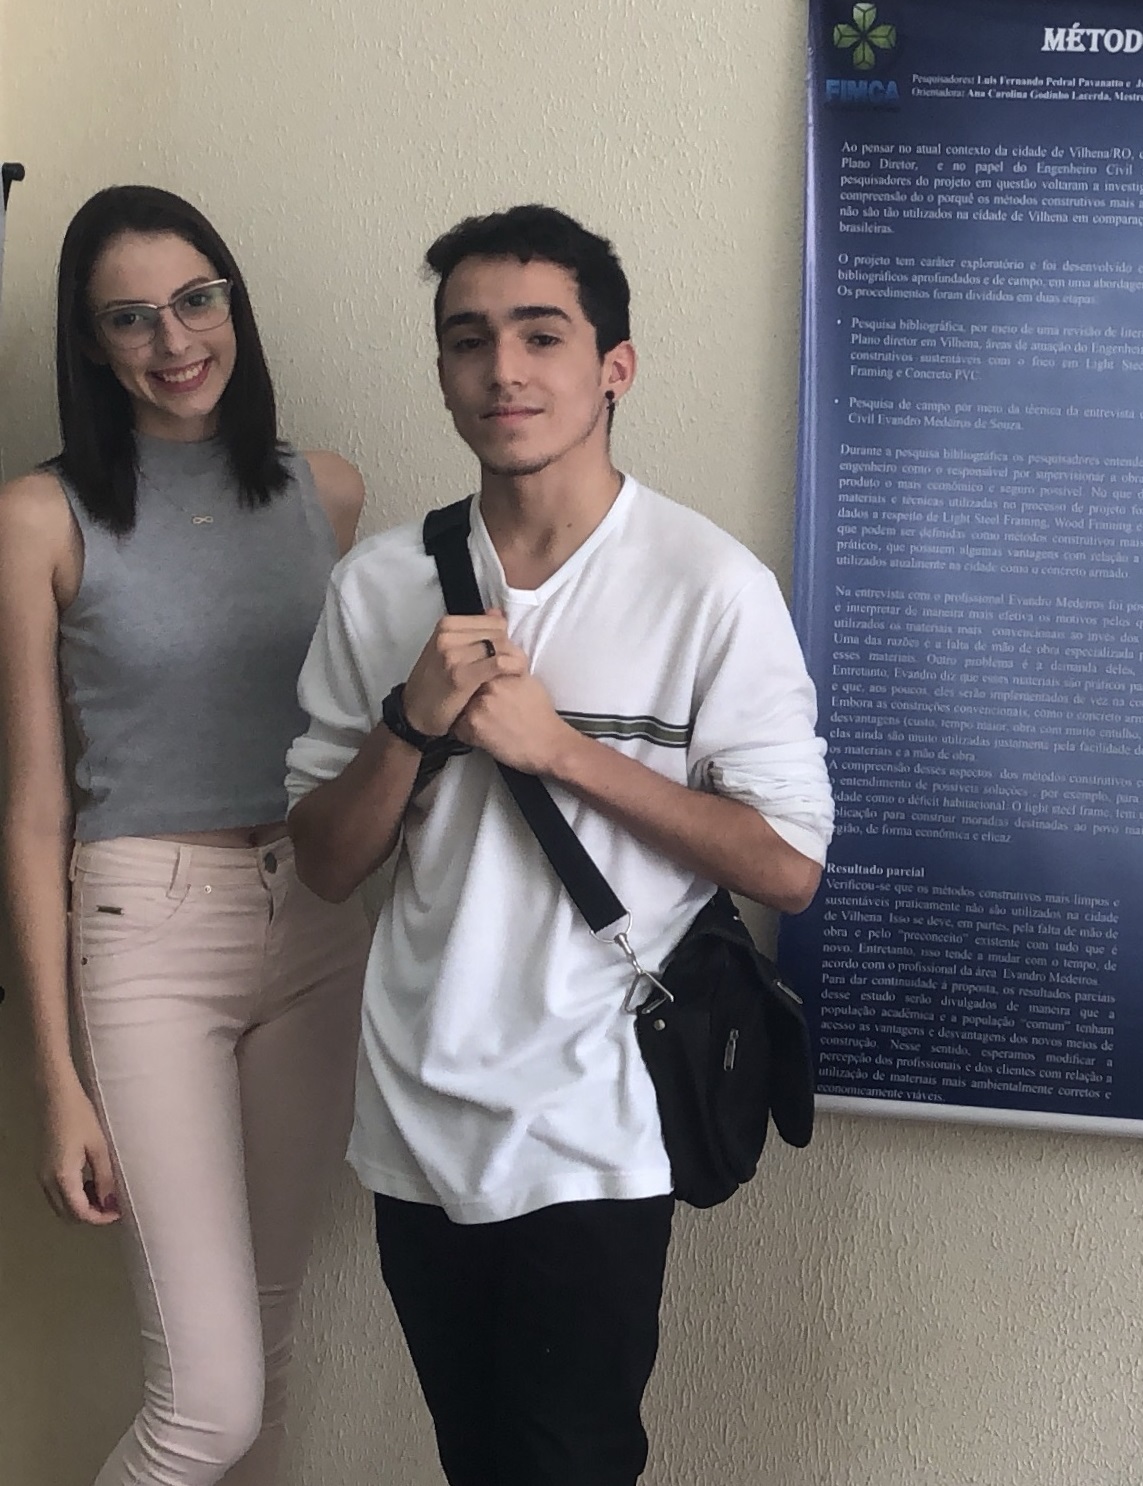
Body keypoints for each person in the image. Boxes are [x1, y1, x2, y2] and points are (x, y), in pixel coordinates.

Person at [285, 204, 833, 1486]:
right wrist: (411, 725)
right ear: (441, 371)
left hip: (597, 1115)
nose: (504, 370)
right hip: (416, 1107)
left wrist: (562, 750)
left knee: (568, 1461)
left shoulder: (708, 585)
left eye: (542, 335)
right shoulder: (379, 585)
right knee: (476, 1458)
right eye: (468, 340)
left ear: (613, 366)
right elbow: (323, 859)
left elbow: (787, 864)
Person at [0, 185, 372, 1485]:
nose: (174, 340)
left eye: (196, 299)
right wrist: (56, 1078)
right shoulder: (39, 517)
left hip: (316, 921)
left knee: (262, 1366)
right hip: (144, 926)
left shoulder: (327, 493)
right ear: (90, 342)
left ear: (233, 304)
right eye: (131, 317)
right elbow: (34, 805)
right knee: (205, 1407)